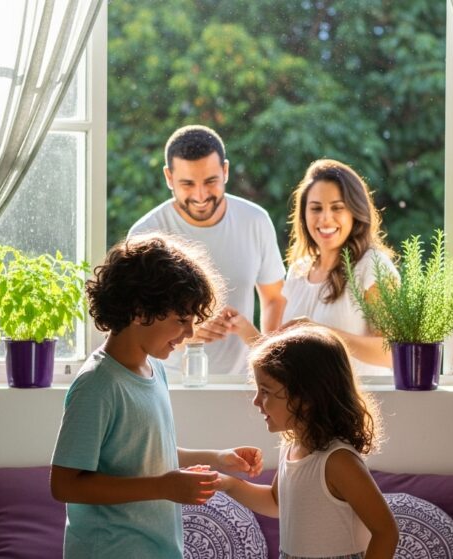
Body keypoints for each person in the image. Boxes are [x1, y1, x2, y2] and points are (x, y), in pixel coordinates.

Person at [50, 234, 264, 559]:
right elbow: (65, 484)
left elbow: (147, 454)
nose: (191, 333)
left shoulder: (154, 370)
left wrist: (217, 457)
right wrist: (164, 487)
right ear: (139, 311)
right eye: (181, 321)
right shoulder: (97, 384)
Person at [222, 325, 399, 559]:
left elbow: (386, 531)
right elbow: (276, 502)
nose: (256, 401)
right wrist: (226, 484)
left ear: (305, 397)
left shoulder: (338, 461)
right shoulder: (292, 448)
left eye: (265, 391)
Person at [129, 124, 287, 376]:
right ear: (169, 177)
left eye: (210, 181)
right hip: (167, 382)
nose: (200, 195)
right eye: (187, 184)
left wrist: (268, 357)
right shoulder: (147, 232)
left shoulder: (255, 220)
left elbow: (275, 298)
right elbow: (135, 320)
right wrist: (185, 332)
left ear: (225, 171)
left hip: (241, 383)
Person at [279, 159, 398, 376]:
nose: (325, 219)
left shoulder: (372, 266)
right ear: (303, 215)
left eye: (337, 208)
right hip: (304, 404)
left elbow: (391, 352)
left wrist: (322, 334)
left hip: (357, 405)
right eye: (316, 208)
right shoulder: (298, 271)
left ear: (355, 212)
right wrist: (240, 328)